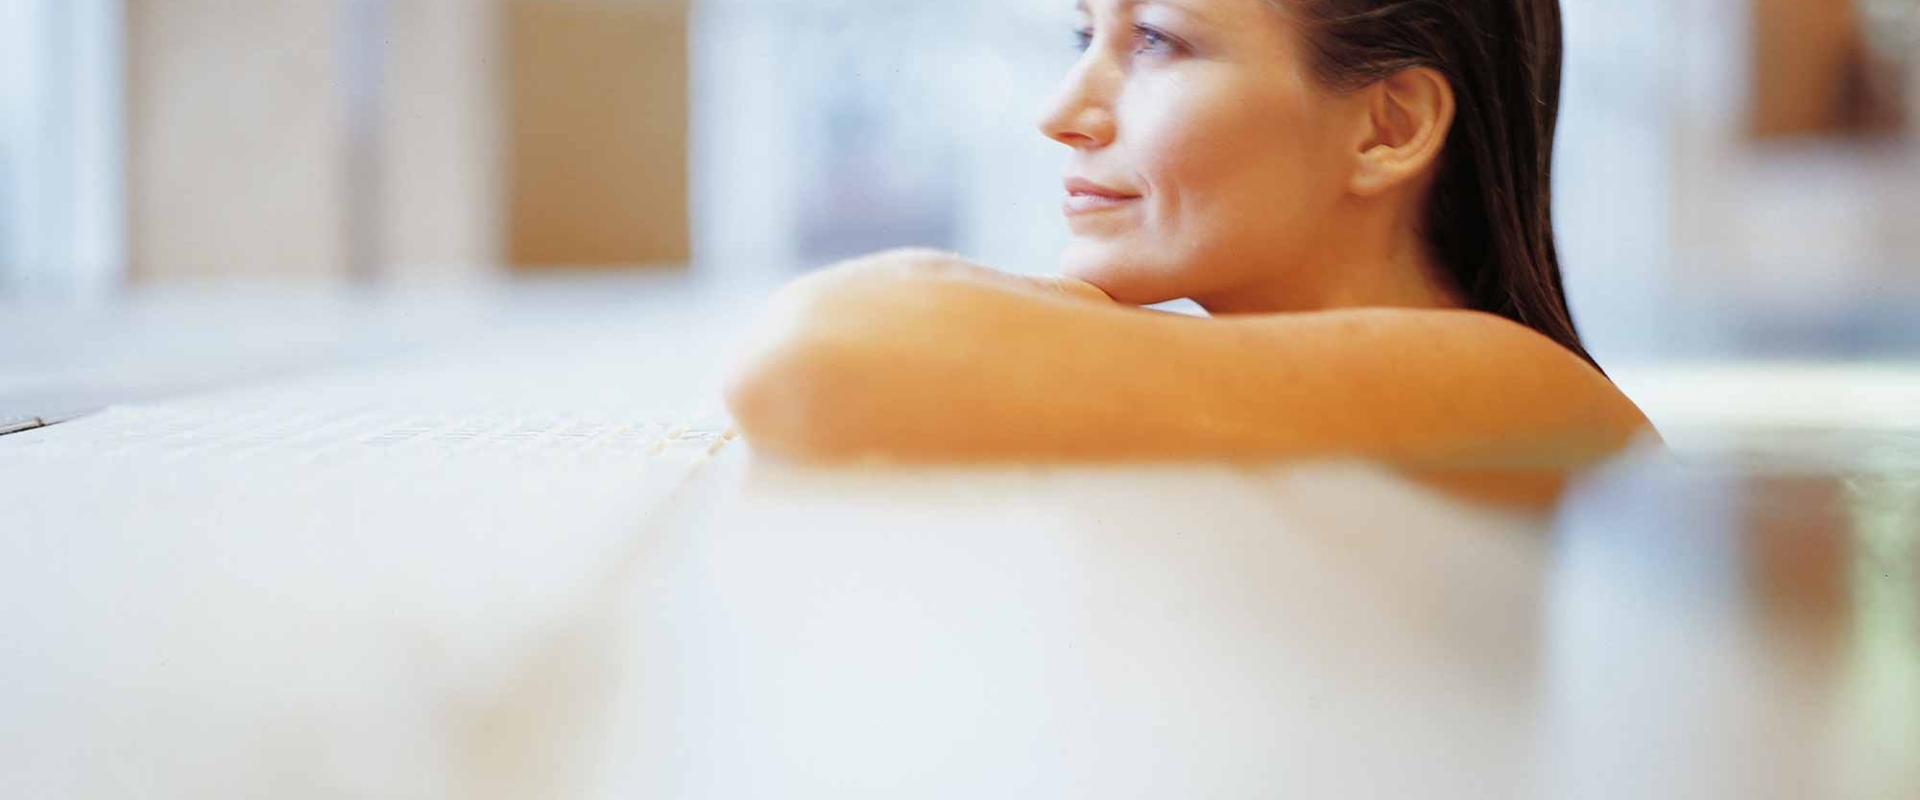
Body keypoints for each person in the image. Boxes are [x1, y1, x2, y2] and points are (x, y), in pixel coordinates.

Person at [725, 0, 1656, 470]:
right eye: (1083, 35)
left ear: (1388, 128)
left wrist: (1046, 321)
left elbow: (808, 360)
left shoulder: (1511, 391)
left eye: (1157, 41)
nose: (1062, 112)